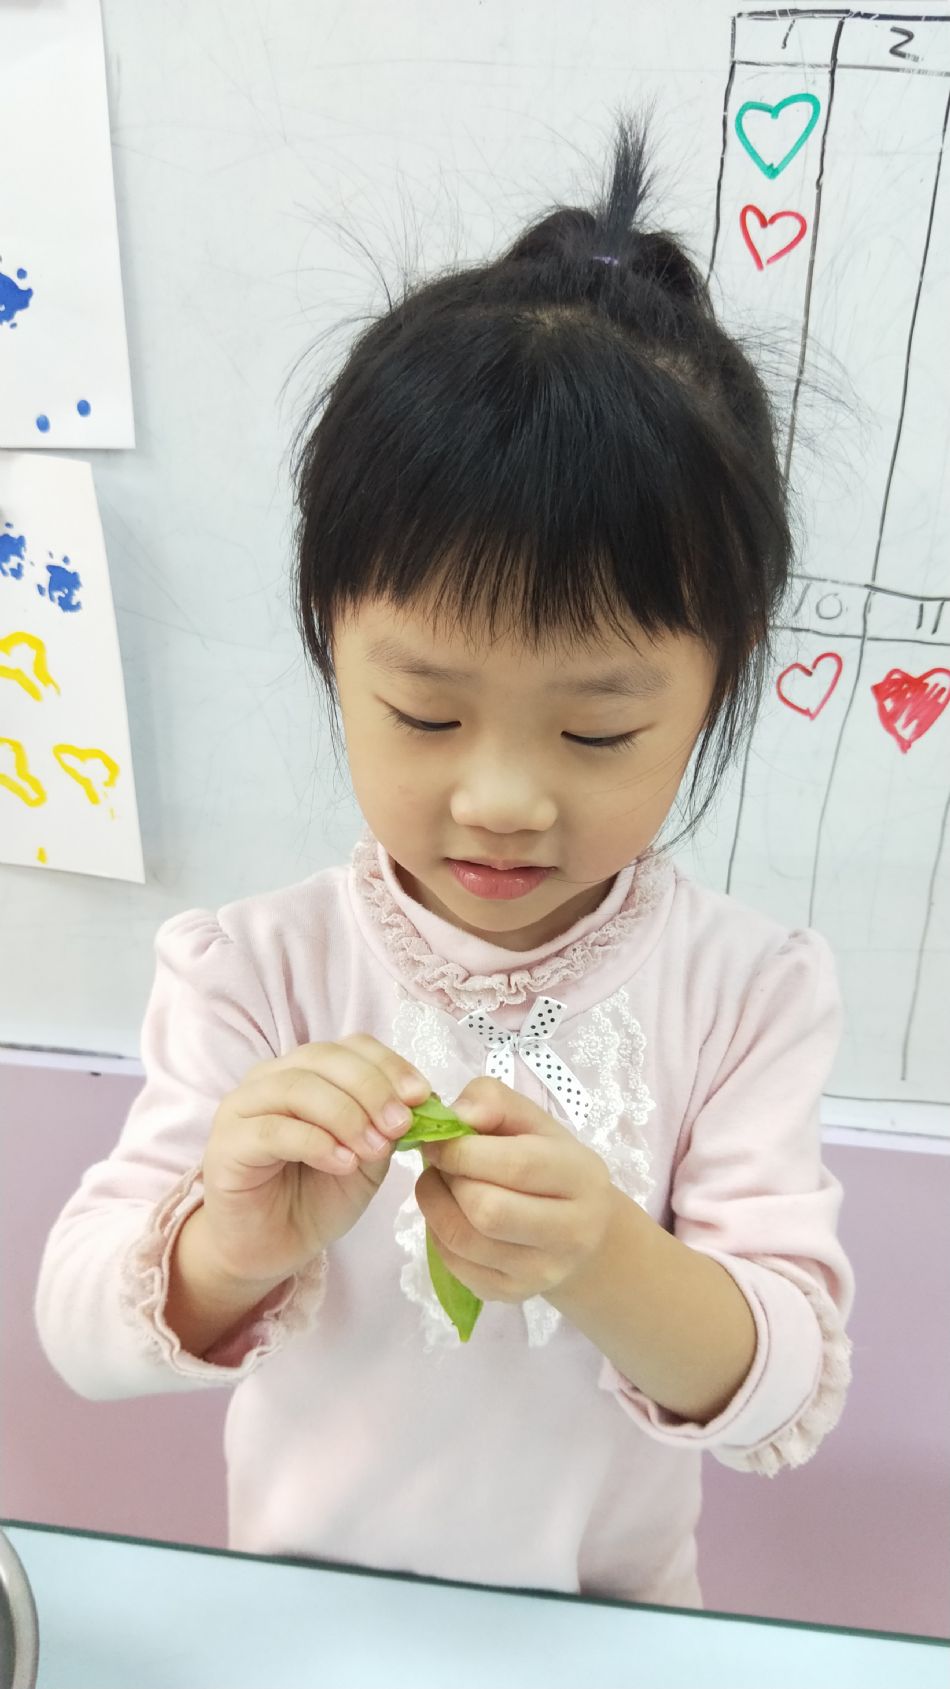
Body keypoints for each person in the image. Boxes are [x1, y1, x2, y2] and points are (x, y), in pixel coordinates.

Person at [35, 115, 854, 1610]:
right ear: (330, 652)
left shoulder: (745, 994)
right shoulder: (254, 972)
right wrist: (230, 1241)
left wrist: (607, 1258)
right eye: (425, 713)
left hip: (611, 1635)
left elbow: (779, 1395)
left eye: (598, 732)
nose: (502, 800)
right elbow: (81, 1333)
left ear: (716, 688)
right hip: (303, 1624)